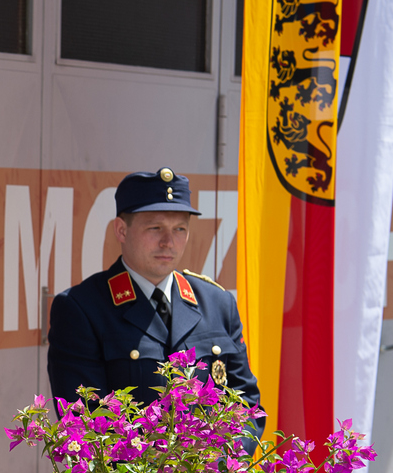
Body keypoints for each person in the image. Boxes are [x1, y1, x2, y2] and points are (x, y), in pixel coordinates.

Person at [47, 168, 262, 432]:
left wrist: (221, 456)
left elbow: (246, 404)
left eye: (179, 229)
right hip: (129, 460)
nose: (168, 242)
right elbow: (83, 421)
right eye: (155, 228)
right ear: (121, 230)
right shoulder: (82, 309)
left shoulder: (217, 303)